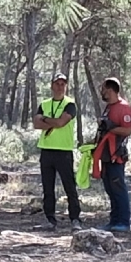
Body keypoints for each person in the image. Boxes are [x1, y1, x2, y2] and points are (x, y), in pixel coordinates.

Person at [33, 72, 82, 232]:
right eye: (57, 83)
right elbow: (36, 124)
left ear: (66, 86)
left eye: (63, 84)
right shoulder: (44, 103)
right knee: (48, 187)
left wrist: (46, 120)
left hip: (64, 151)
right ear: (52, 86)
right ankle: (50, 219)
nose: (60, 87)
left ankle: (75, 219)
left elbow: (61, 122)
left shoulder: (70, 104)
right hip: (46, 150)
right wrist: (50, 121)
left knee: (69, 186)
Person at [94, 77, 131, 232]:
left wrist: (111, 128)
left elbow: (127, 130)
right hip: (105, 155)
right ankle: (114, 220)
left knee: (118, 187)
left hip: (116, 154)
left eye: (103, 89)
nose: (102, 92)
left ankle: (123, 221)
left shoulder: (123, 107)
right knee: (110, 188)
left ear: (110, 90)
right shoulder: (108, 107)